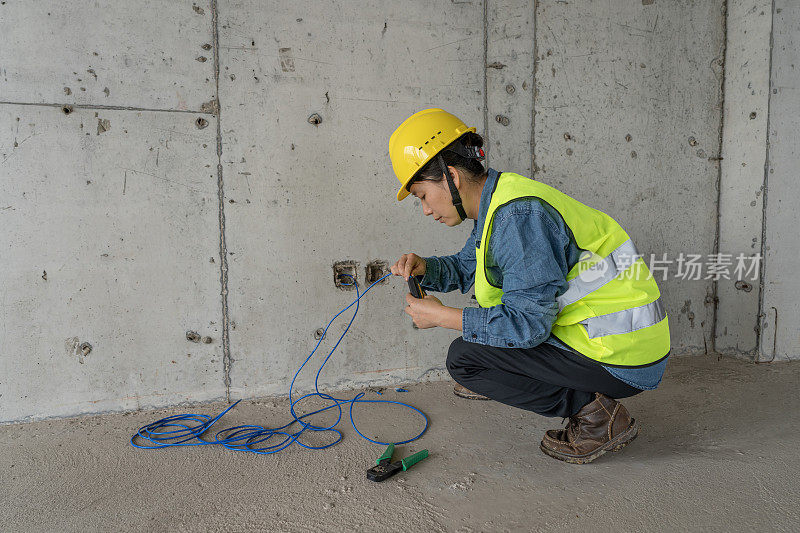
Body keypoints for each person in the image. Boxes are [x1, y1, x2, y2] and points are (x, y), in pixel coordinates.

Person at [388, 109, 671, 464]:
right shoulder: (500, 200)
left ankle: (597, 417)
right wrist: (427, 269)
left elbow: (528, 326)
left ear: (452, 179)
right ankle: (559, 391)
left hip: (622, 357)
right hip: (617, 340)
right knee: (481, 349)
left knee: (466, 361)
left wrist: (443, 317)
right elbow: (469, 266)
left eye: (422, 196)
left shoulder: (517, 217)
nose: (426, 210)